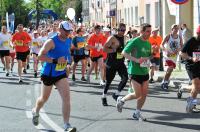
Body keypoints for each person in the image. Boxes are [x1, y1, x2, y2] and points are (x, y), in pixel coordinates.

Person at [31, 21, 76, 131]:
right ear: (60, 29)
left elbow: (68, 54)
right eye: (66, 31)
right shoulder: (51, 41)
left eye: (69, 31)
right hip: (48, 74)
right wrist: (55, 60)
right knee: (44, 98)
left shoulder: (69, 40)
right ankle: (36, 110)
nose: (67, 33)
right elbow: (40, 56)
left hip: (61, 74)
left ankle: (66, 125)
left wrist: (69, 64)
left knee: (66, 98)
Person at [116, 23, 152, 121]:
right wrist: (136, 60)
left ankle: (137, 113)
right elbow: (124, 53)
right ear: (142, 31)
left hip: (144, 72)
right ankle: (122, 100)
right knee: (137, 94)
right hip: (134, 71)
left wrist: (149, 60)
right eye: (148, 31)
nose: (150, 33)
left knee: (144, 94)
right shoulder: (135, 41)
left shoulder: (148, 43)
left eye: (150, 31)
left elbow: (149, 56)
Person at [101, 23, 128, 106]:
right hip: (111, 62)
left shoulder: (125, 38)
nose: (122, 32)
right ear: (117, 30)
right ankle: (104, 96)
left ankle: (116, 94)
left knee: (125, 78)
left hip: (120, 62)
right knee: (109, 81)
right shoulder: (112, 38)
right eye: (121, 30)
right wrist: (113, 50)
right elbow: (104, 48)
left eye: (124, 30)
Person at [180, 25, 200, 113]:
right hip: (191, 65)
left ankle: (183, 88)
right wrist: (191, 58)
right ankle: (190, 107)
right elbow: (181, 53)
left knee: (197, 87)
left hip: (199, 65)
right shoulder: (191, 41)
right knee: (196, 85)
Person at [161, 24, 183, 90]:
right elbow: (161, 45)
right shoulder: (168, 36)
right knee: (169, 68)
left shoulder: (179, 37)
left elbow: (182, 46)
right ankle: (165, 83)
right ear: (172, 29)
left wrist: (178, 50)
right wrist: (166, 51)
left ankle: (165, 81)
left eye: (177, 28)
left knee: (170, 71)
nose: (176, 30)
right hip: (167, 55)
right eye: (174, 28)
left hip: (174, 56)